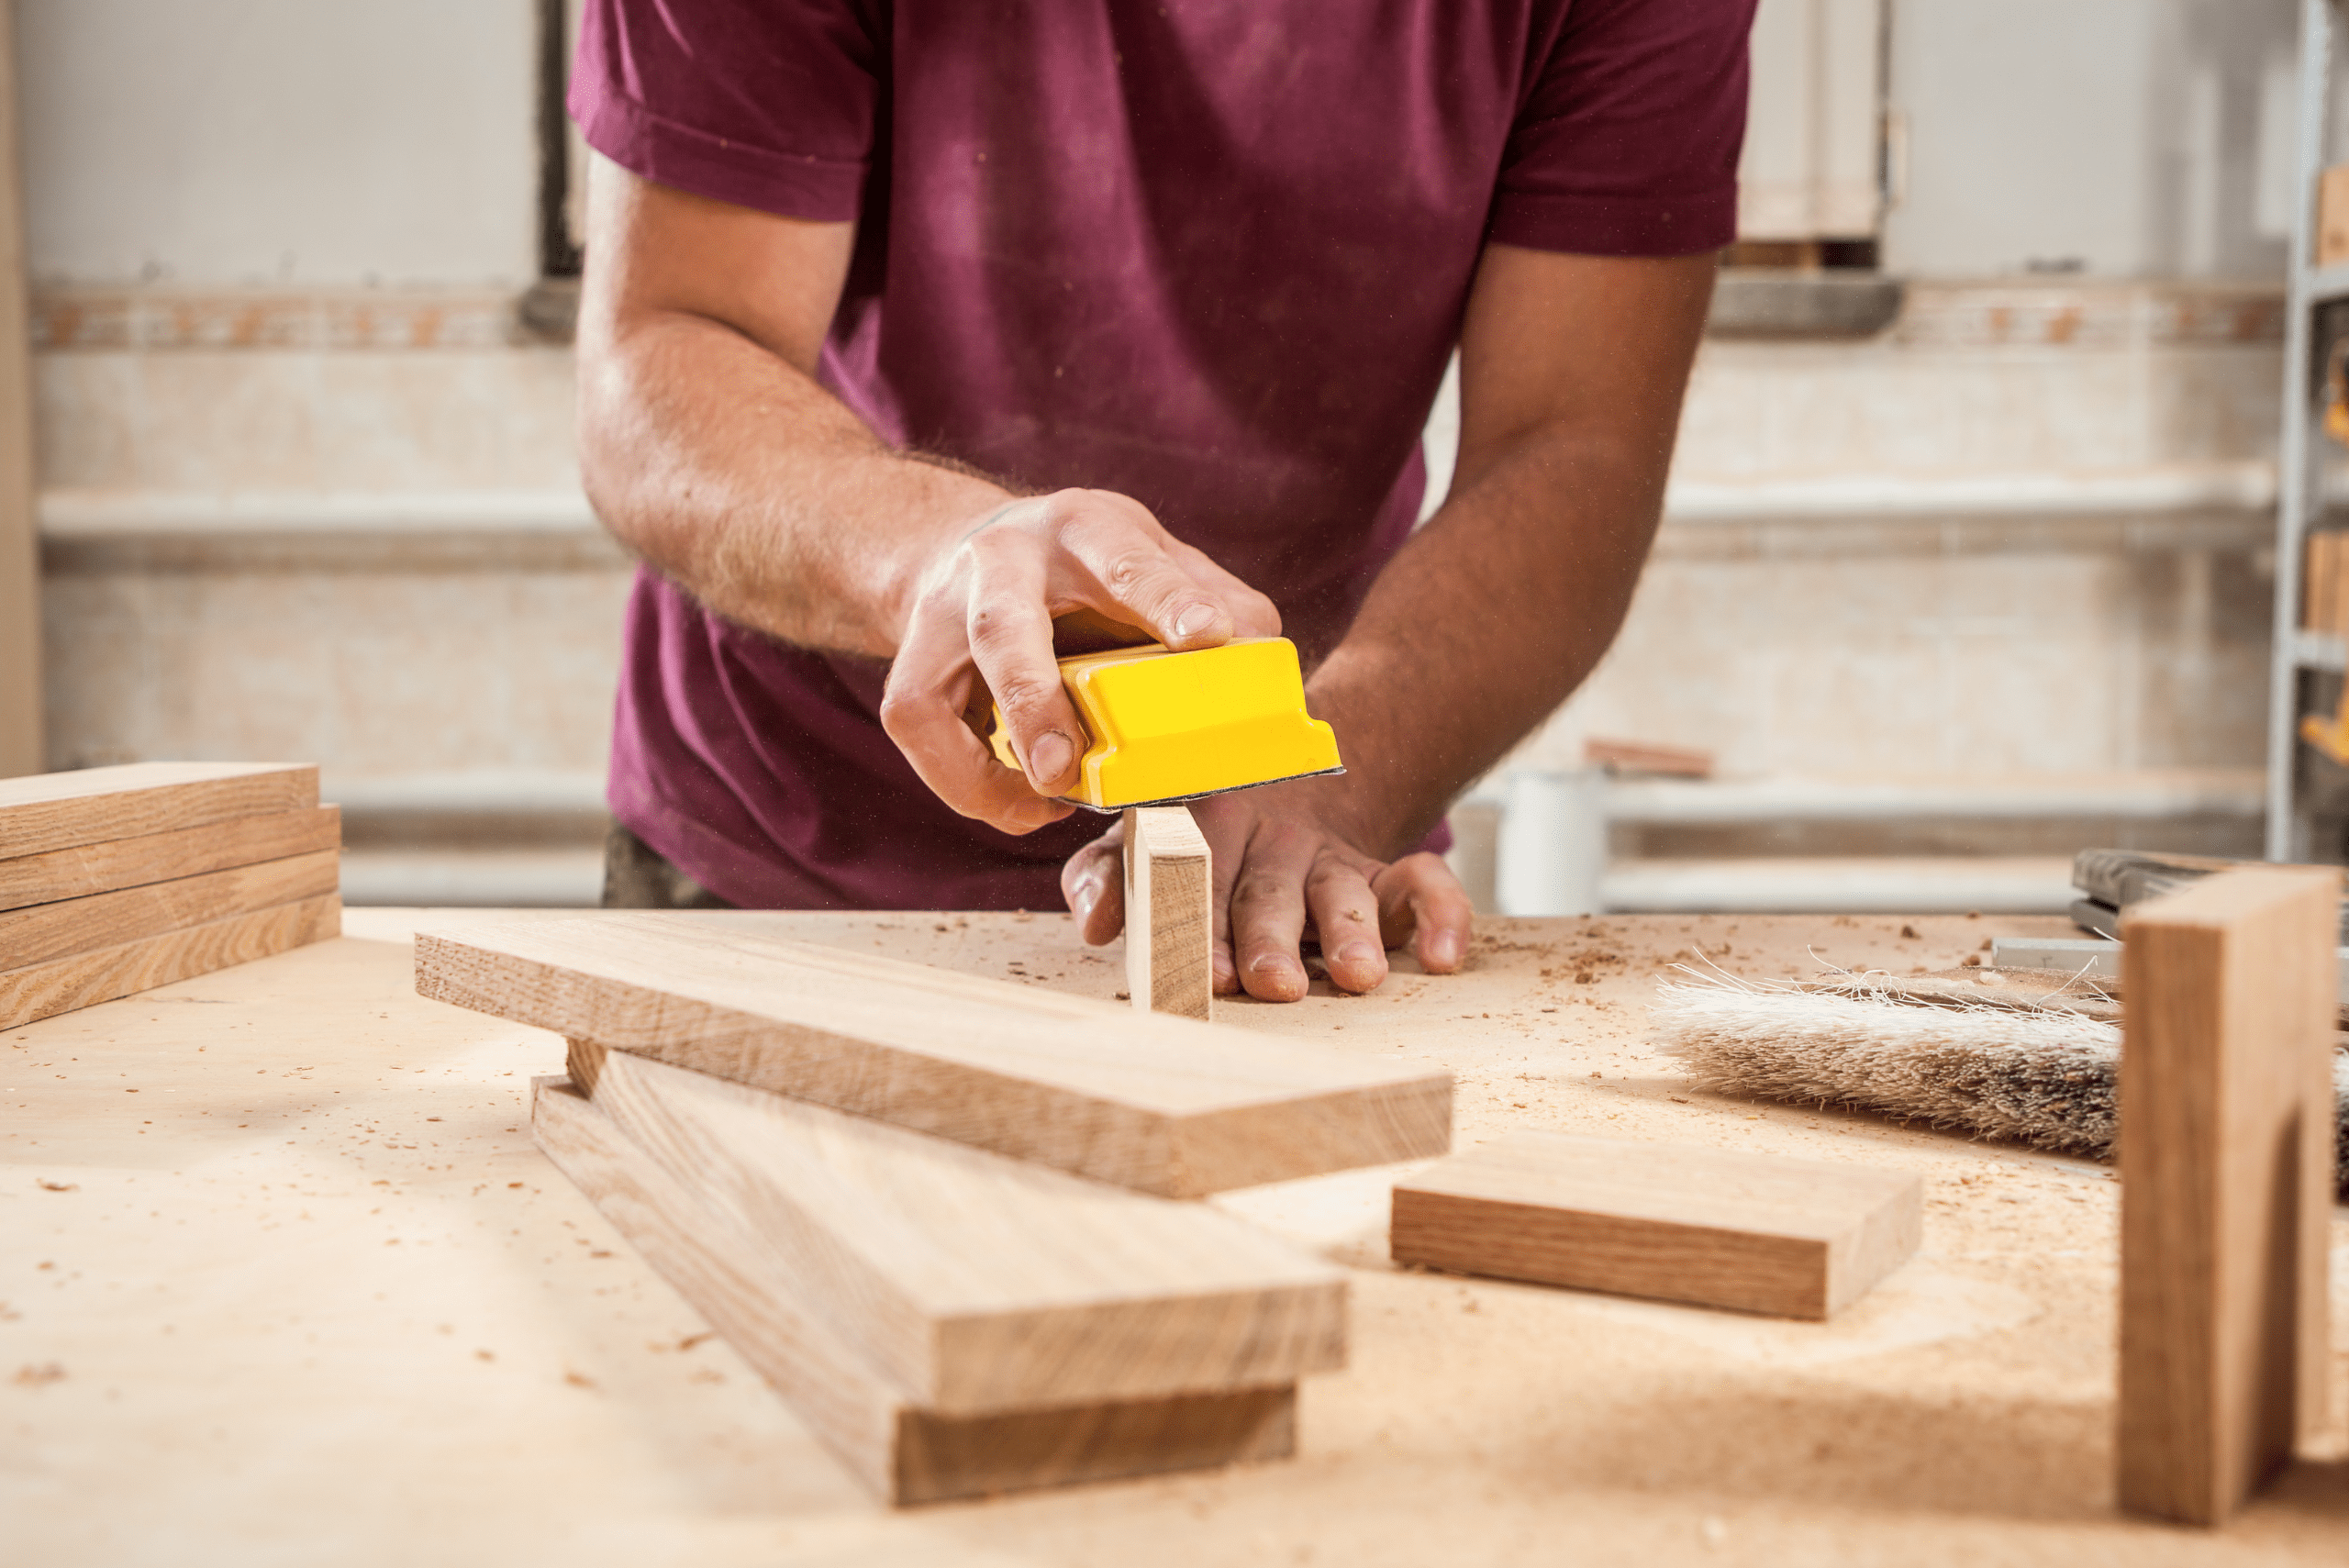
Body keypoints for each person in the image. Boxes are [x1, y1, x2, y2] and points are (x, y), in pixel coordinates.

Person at [572, 0, 1753, 1002]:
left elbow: (1571, 447)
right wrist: (937, 561)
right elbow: (668, 349)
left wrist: (1336, 774)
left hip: (1295, 860)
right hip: (784, 857)